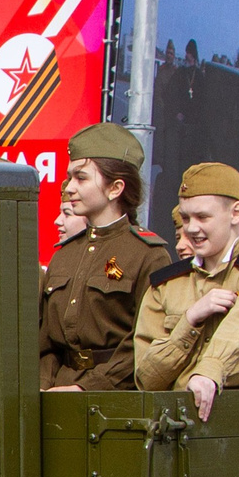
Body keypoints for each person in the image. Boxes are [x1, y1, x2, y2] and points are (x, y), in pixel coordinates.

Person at [132, 164, 239, 422]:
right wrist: (190, 320)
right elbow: (147, 378)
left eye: (203, 217)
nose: (192, 228)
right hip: (171, 422)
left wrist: (210, 370)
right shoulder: (167, 283)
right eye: (185, 218)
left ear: (236, 213)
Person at [39, 122, 167, 391]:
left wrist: (89, 387)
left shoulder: (148, 255)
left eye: (81, 178)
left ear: (115, 188)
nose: (69, 187)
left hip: (115, 398)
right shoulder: (65, 254)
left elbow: (148, 340)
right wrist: (44, 386)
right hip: (57, 393)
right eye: (69, 177)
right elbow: (46, 341)